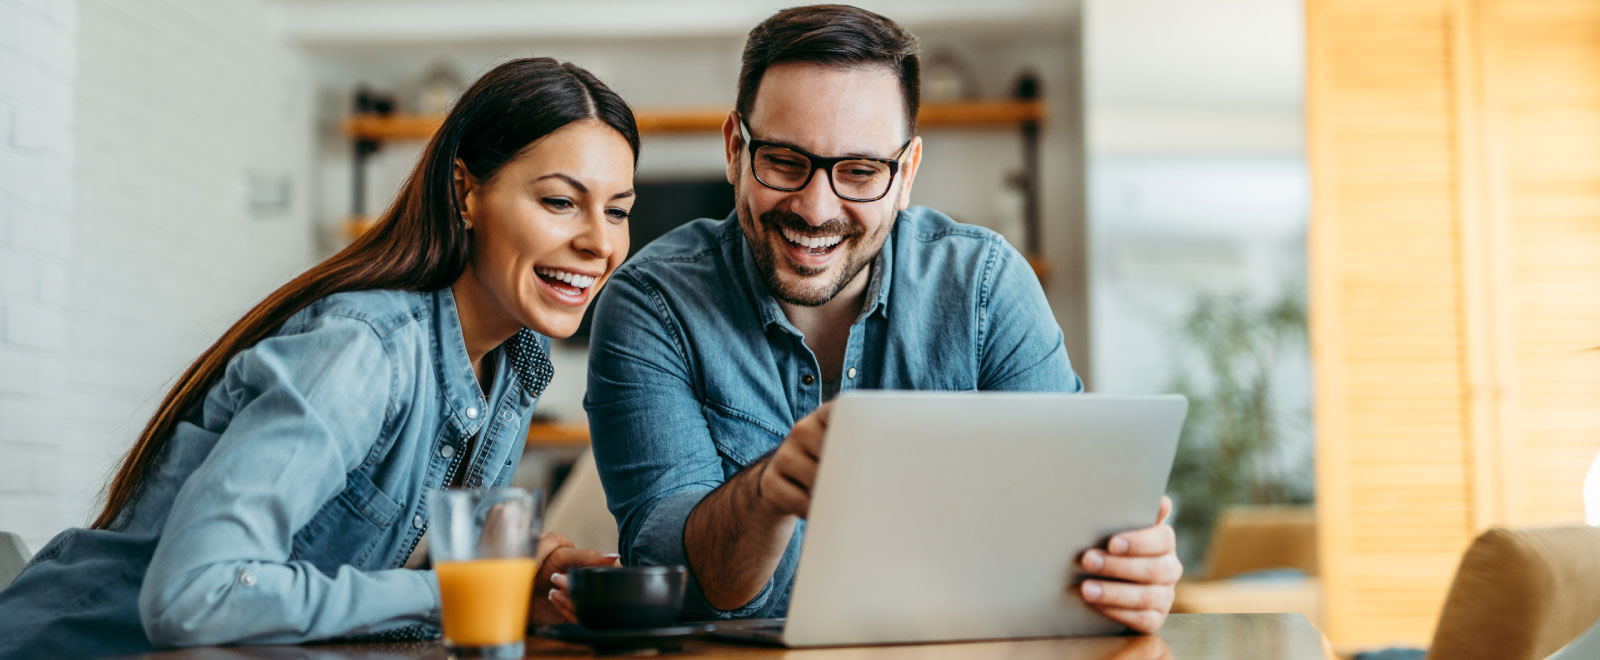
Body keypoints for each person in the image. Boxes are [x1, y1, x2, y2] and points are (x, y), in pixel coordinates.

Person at [0, 57, 635, 658]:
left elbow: (412, 576)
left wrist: (525, 577)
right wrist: (467, 594)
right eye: (559, 201)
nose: (599, 242)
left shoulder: (512, 369)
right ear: (466, 192)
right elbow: (195, 594)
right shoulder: (362, 350)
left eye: (618, 211)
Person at [585, 4, 1182, 633]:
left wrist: (1127, 576)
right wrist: (766, 494)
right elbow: (674, 581)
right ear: (736, 148)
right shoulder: (650, 304)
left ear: (906, 174)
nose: (816, 209)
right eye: (785, 162)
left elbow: (1066, 532)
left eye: (860, 171)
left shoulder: (985, 287)